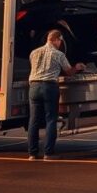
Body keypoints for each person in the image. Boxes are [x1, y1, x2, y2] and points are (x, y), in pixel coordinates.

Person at [27, 29, 85, 160]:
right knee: (51, 120)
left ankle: (32, 153)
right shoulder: (59, 54)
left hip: (34, 87)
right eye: (60, 41)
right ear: (56, 39)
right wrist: (78, 67)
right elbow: (69, 72)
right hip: (49, 87)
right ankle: (48, 153)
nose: (60, 43)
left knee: (34, 121)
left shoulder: (34, 53)